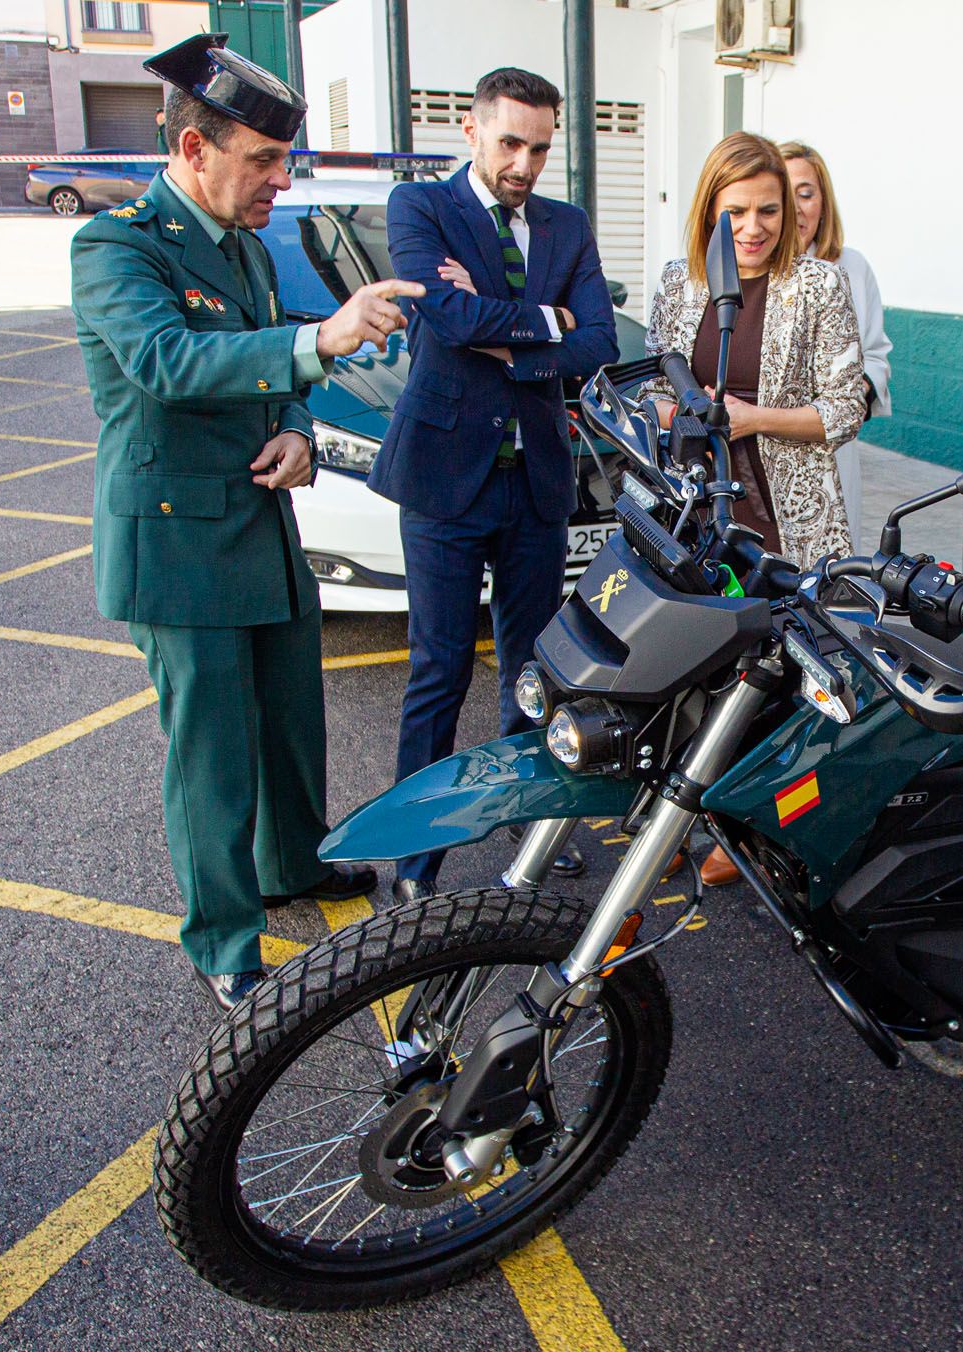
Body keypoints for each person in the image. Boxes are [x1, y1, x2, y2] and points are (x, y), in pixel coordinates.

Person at [71, 34, 416, 1010]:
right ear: (193, 152)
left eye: (284, 160)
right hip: (178, 547)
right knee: (212, 756)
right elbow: (170, 365)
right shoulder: (116, 247)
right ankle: (221, 935)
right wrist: (321, 339)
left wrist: (301, 432)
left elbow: (279, 389)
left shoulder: (247, 250)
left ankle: (293, 868)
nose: (278, 179)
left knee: (288, 723)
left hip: (261, 527)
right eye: (262, 160)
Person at [371, 67, 619, 908]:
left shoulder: (567, 224)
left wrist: (513, 333)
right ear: (472, 132)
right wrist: (548, 322)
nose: (524, 163)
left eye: (540, 147)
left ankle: (525, 819)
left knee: (533, 666)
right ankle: (417, 854)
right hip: (445, 478)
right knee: (438, 669)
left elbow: (600, 342)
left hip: (536, 479)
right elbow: (442, 317)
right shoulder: (421, 209)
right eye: (509, 142)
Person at [642, 132, 867, 890]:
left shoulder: (819, 285)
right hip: (698, 511)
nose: (754, 227)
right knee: (694, 668)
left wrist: (751, 417)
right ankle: (683, 812)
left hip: (788, 514)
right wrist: (674, 411)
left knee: (781, 674)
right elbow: (653, 382)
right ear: (710, 210)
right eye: (735, 211)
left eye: (769, 210)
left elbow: (844, 410)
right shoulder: (681, 282)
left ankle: (761, 831)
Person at [780, 141, 892, 545]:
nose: (795, 208)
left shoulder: (852, 267)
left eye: (806, 194)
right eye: (784, 194)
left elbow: (876, 353)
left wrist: (854, 390)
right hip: (767, 443)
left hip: (830, 443)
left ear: (824, 203)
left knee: (830, 568)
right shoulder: (748, 269)